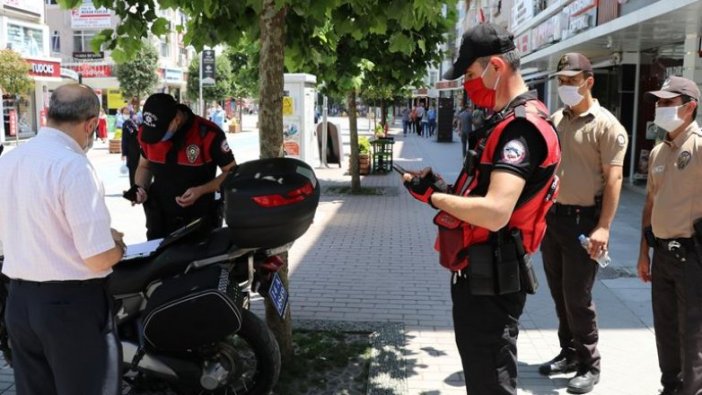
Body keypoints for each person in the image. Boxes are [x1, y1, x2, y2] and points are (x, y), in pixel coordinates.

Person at [400, 23, 561, 394]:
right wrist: (444, 188)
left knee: (490, 378)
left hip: (492, 279)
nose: (468, 84)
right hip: (484, 271)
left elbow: (494, 212)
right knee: (483, 372)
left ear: (497, 68)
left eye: (471, 74)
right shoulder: (508, 120)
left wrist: (432, 197)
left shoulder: (521, 130)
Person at [0, 83, 124, 395]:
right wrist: (118, 247)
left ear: (48, 115)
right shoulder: (72, 165)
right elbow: (96, 257)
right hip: (71, 307)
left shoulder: (9, 162)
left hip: (19, 303)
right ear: (91, 124)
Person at [538, 53, 629, 394]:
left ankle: (590, 363)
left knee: (578, 296)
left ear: (589, 82)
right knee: (559, 294)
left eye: (571, 81)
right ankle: (569, 353)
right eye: (561, 81)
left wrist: (603, 227)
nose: (565, 87)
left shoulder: (606, 126)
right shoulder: (556, 119)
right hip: (553, 220)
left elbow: (616, 179)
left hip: (584, 222)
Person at [637, 76, 701, 395]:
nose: (659, 108)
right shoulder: (660, 151)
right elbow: (650, 202)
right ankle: (670, 387)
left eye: (667, 102)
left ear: (689, 108)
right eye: (658, 102)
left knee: (692, 336)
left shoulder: (699, 146)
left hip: (692, 257)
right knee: (665, 331)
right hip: (661, 255)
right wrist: (643, 253)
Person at [131, 93, 237, 240]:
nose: (157, 139)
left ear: (177, 120)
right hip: (159, 221)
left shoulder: (208, 134)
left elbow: (232, 172)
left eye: (161, 132)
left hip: (199, 222)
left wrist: (201, 190)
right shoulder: (147, 132)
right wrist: (140, 187)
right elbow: (144, 166)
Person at [121, 110, 140, 186]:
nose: (125, 115)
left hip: (131, 150)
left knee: (132, 170)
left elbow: (124, 140)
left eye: (126, 113)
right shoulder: (137, 122)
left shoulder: (126, 124)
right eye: (124, 113)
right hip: (139, 149)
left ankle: (133, 187)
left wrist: (124, 153)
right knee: (139, 169)